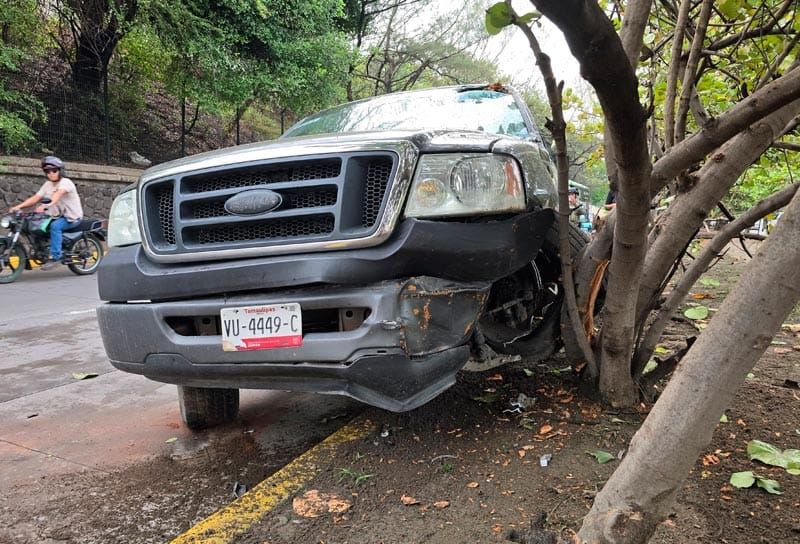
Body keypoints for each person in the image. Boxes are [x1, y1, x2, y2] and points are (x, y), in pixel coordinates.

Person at [8, 156, 84, 270]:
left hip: (71, 217)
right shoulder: (48, 184)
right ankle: (42, 250)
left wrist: (44, 206)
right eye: (47, 171)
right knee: (35, 225)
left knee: (55, 226)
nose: (51, 173)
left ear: (60, 171)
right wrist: (18, 207)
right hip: (55, 215)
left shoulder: (66, 183)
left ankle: (56, 256)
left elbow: (57, 196)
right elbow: (35, 198)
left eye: (54, 170)